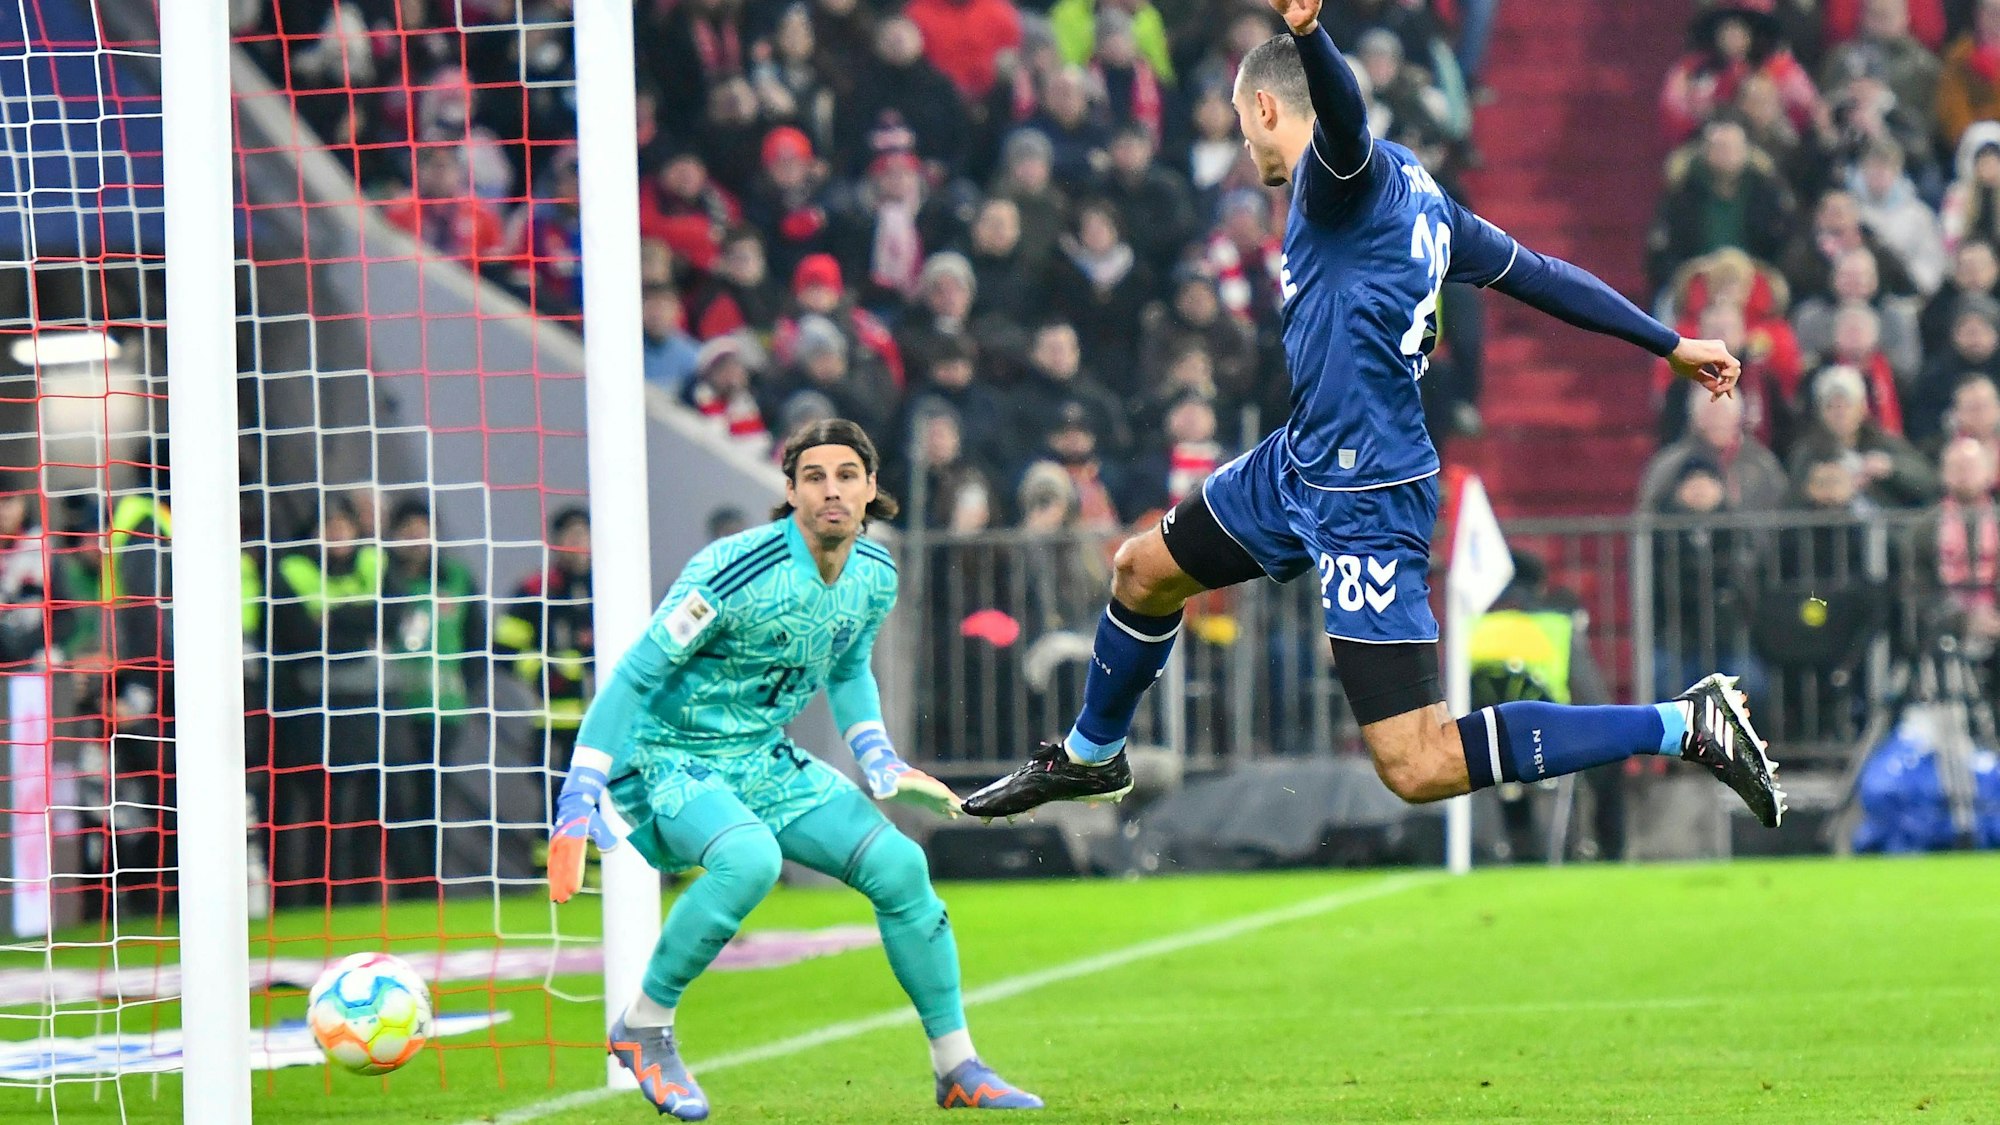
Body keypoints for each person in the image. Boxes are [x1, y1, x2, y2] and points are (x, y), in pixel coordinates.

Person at [962, 0, 1787, 830]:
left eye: (1246, 124)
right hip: (1300, 463)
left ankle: (1684, 723)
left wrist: (1311, 39)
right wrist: (1668, 341)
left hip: (1370, 491)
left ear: (1268, 109)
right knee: (1143, 570)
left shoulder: (1334, 179)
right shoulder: (1424, 200)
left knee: (1417, 764)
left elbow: (1345, 124)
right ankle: (1092, 755)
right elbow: (1540, 274)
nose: (1244, 145)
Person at [546, 420, 1040, 1117]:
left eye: (846, 475)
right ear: (790, 490)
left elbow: (847, 667)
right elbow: (631, 677)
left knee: (901, 867)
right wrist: (578, 794)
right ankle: (645, 1025)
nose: (831, 489)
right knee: (748, 860)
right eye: (814, 476)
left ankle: (957, 1065)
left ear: (871, 488)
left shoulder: (875, 573)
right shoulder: (735, 569)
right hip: (671, 754)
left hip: (760, 753)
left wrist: (877, 757)